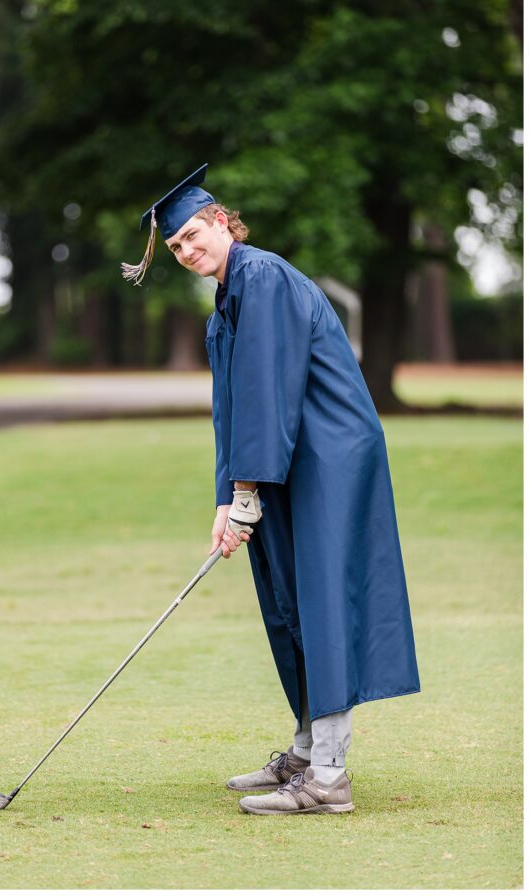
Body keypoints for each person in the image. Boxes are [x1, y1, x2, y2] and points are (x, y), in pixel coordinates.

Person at [122, 164, 420, 816]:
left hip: (327, 458)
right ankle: (307, 748)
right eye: (175, 247)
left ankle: (328, 778)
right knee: (287, 601)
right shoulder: (225, 301)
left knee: (317, 603)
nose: (187, 250)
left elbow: (268, 392)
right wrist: (227, 499)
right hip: (286, 459)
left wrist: (248, 492)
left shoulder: (260, 277)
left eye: (194, 234)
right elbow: (231, 410)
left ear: (222, 221)